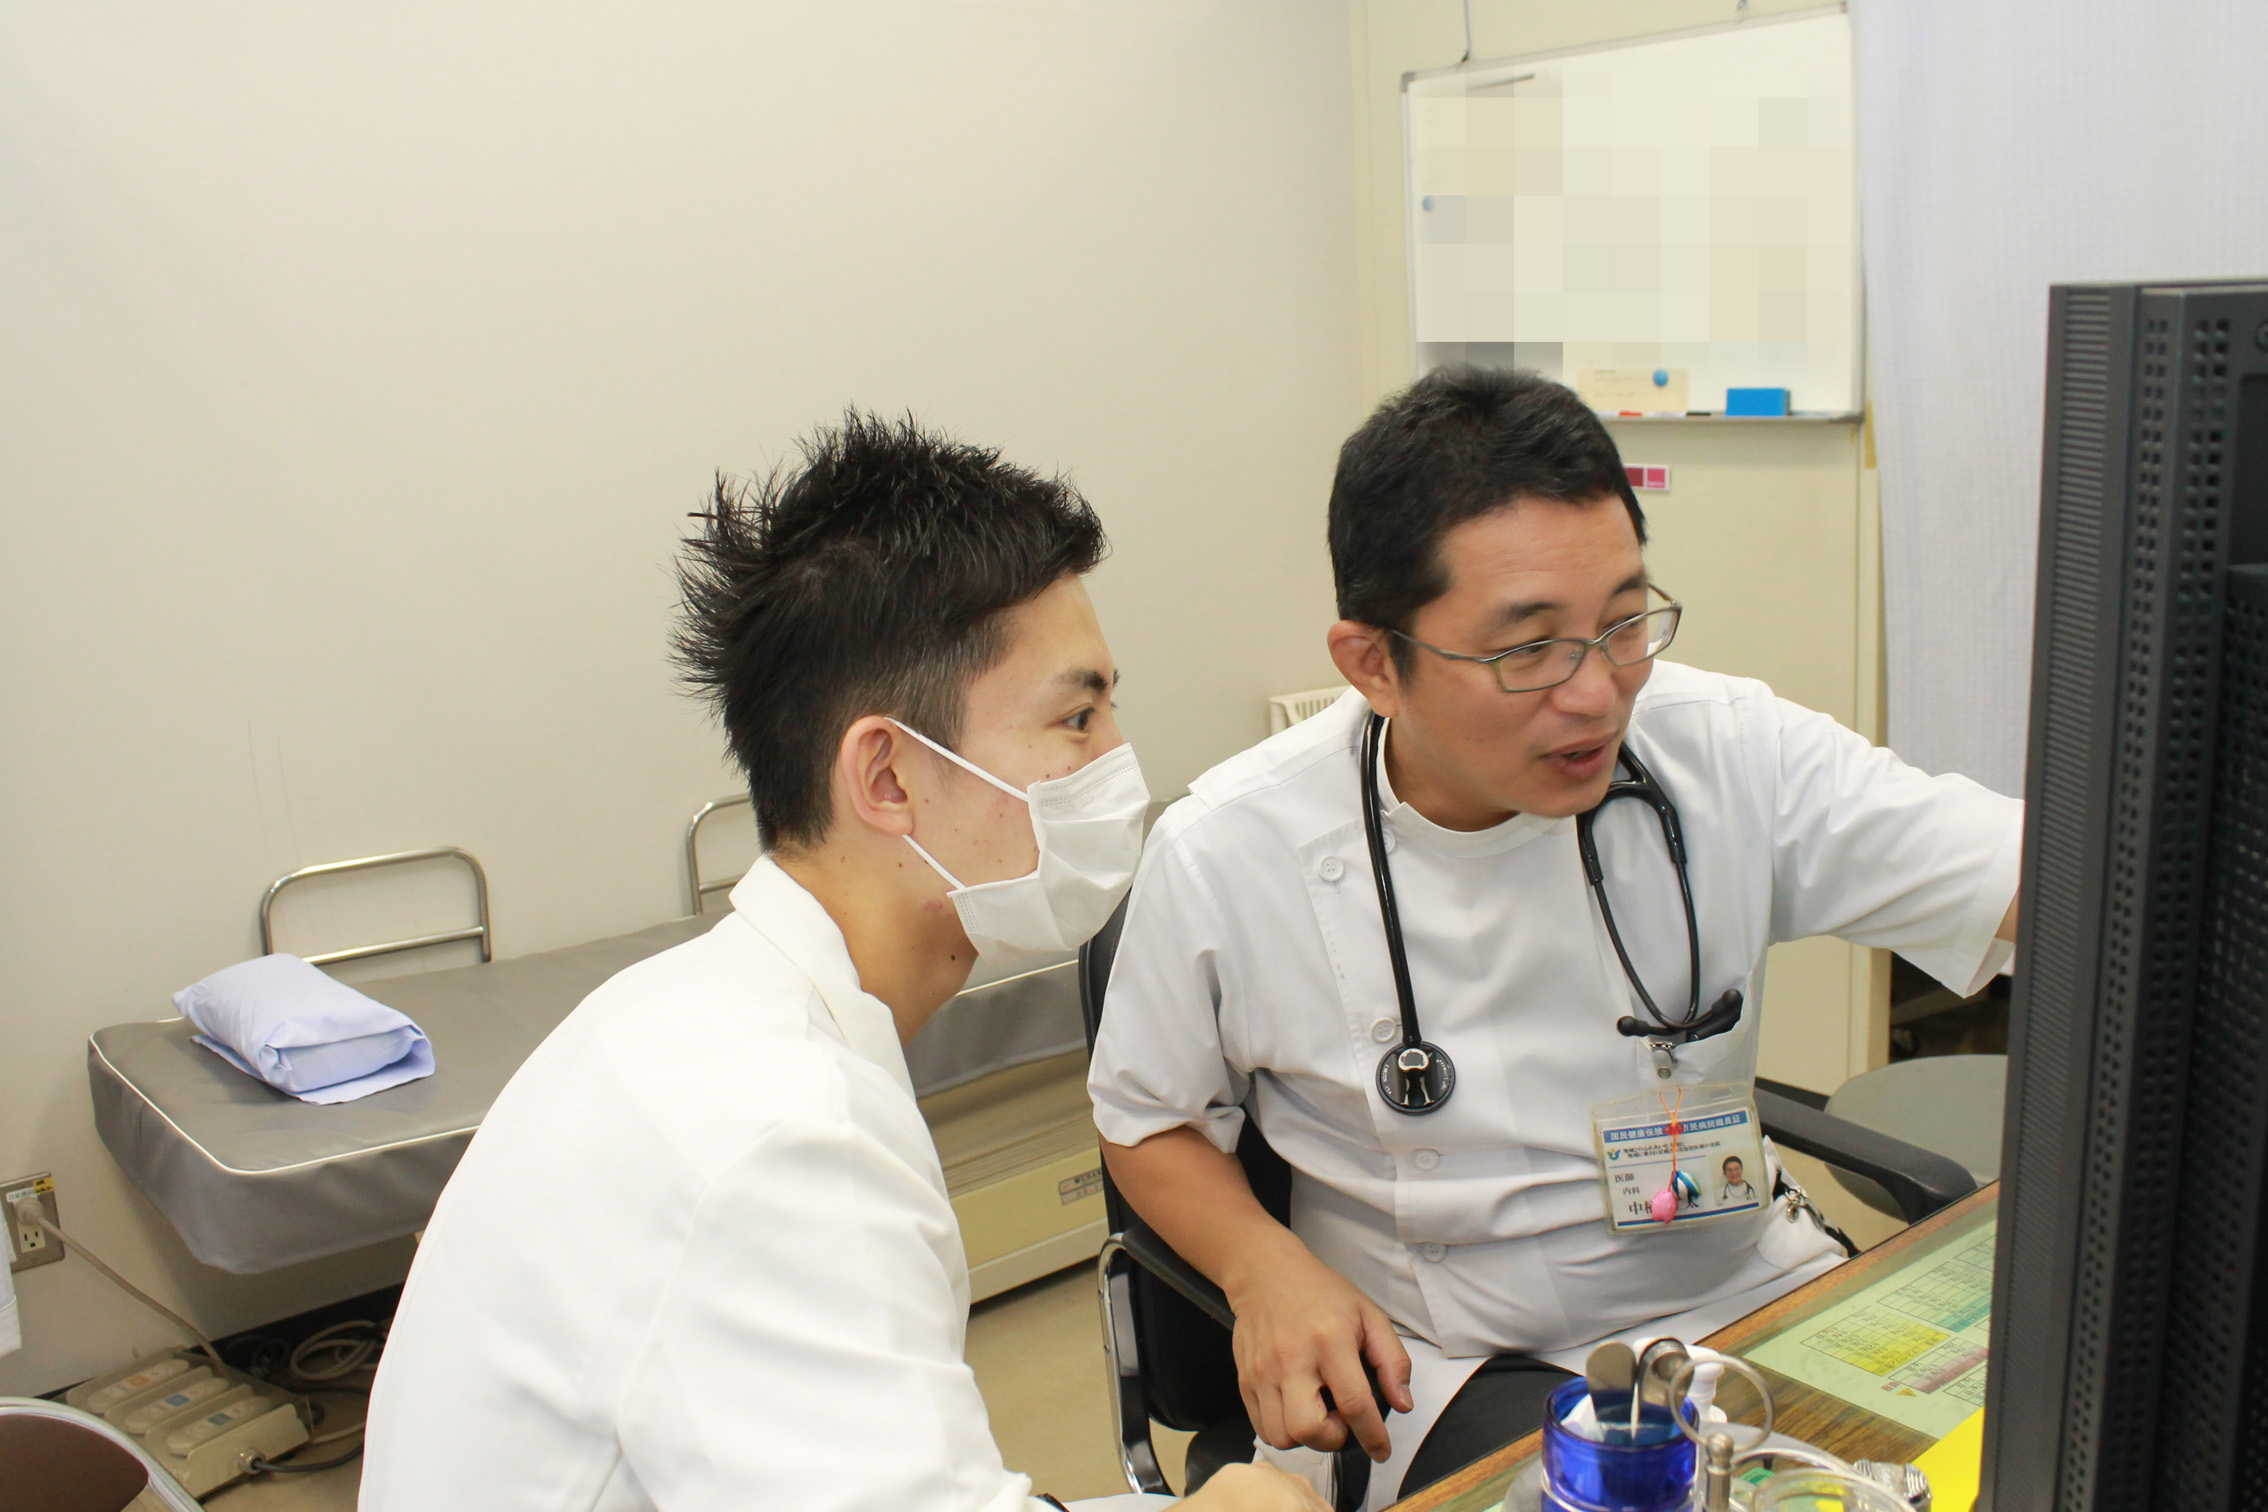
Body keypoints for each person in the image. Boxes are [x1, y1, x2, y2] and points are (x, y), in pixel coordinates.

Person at [1087, 369, 2022, 1509]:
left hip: (1744, 1293)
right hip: (1446, 1362)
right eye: (1529, 649)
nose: (1597, 695)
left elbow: (2044, 881)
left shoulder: (1728, 747)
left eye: (1623, 621)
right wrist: (1262, 1268)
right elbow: (1148, 1116)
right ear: (1374, 664)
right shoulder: (1231, 849)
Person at [360, 414, 1324, 1512]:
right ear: (889, 779)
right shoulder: (786, 1137)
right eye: (1076, 717)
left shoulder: (684, 1018)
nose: (1117, 762)